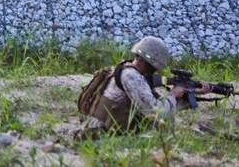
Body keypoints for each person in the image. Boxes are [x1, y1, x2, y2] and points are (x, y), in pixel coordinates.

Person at [76, 35, 210, 139]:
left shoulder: (125, 69)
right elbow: (157, 113)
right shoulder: (132, 77)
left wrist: (193, 91)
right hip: (100, 134)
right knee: (164, 119)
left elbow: (153, 104)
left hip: (97, 126)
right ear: (154, 62)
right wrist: (173, 94)